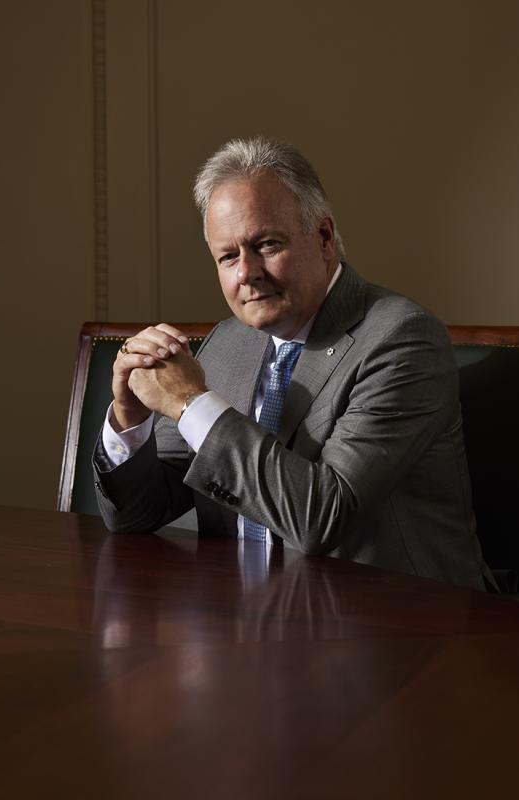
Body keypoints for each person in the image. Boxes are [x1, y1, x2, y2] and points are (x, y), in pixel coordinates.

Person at [94, 136, 493, 590]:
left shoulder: (401, 338)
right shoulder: (228, 341)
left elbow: (322, 516)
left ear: (323, 238)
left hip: (394, 626)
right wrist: (131, 417)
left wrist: (190, 403)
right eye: (227, 257)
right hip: (246, 622)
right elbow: (134, 515)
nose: (246, 273)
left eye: (265, 244)